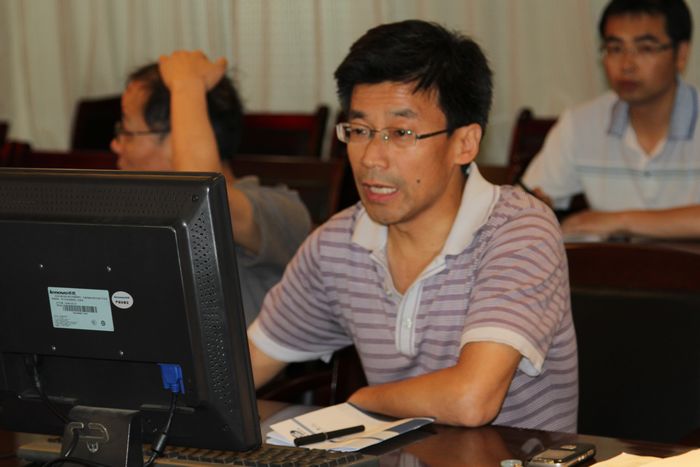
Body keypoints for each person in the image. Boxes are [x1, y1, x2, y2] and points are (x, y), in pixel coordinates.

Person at [248, 20, 577, 432]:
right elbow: (245, 366)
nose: (371, 158)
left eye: (401, 133)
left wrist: (363, 402)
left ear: (465, 143)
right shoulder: (336, 245)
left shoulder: (518, 231)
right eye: (359, 130)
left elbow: (471, 399)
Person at [110, 52, 312, 324]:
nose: (116, 144)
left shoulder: (280, 211)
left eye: (126, 131)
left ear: (178, 139)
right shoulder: (133, 218)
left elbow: (203, 202)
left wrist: (186, 83)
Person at [522, 0, 698, 239]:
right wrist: (534, 210)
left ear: (681, 54)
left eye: (645, 48)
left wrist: (618, 221)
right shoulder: (580, 123)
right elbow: (525, 204)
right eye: (615, 49)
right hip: (612, 264)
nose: (626, 65)